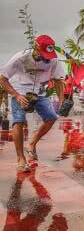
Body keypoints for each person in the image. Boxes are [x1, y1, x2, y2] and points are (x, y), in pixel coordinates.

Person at [0, 35, 66, 172]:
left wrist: (61, 99)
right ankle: (21, 159)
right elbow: (3, 78)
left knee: (51, 117)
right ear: (35, 48)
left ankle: (32, 143)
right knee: (18, 121)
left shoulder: (53, 59)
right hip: (20, 90)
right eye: (43, 54)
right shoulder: (21, 57)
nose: (46, 58)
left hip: (39, 91)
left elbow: (58, 80)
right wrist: (16, 95)